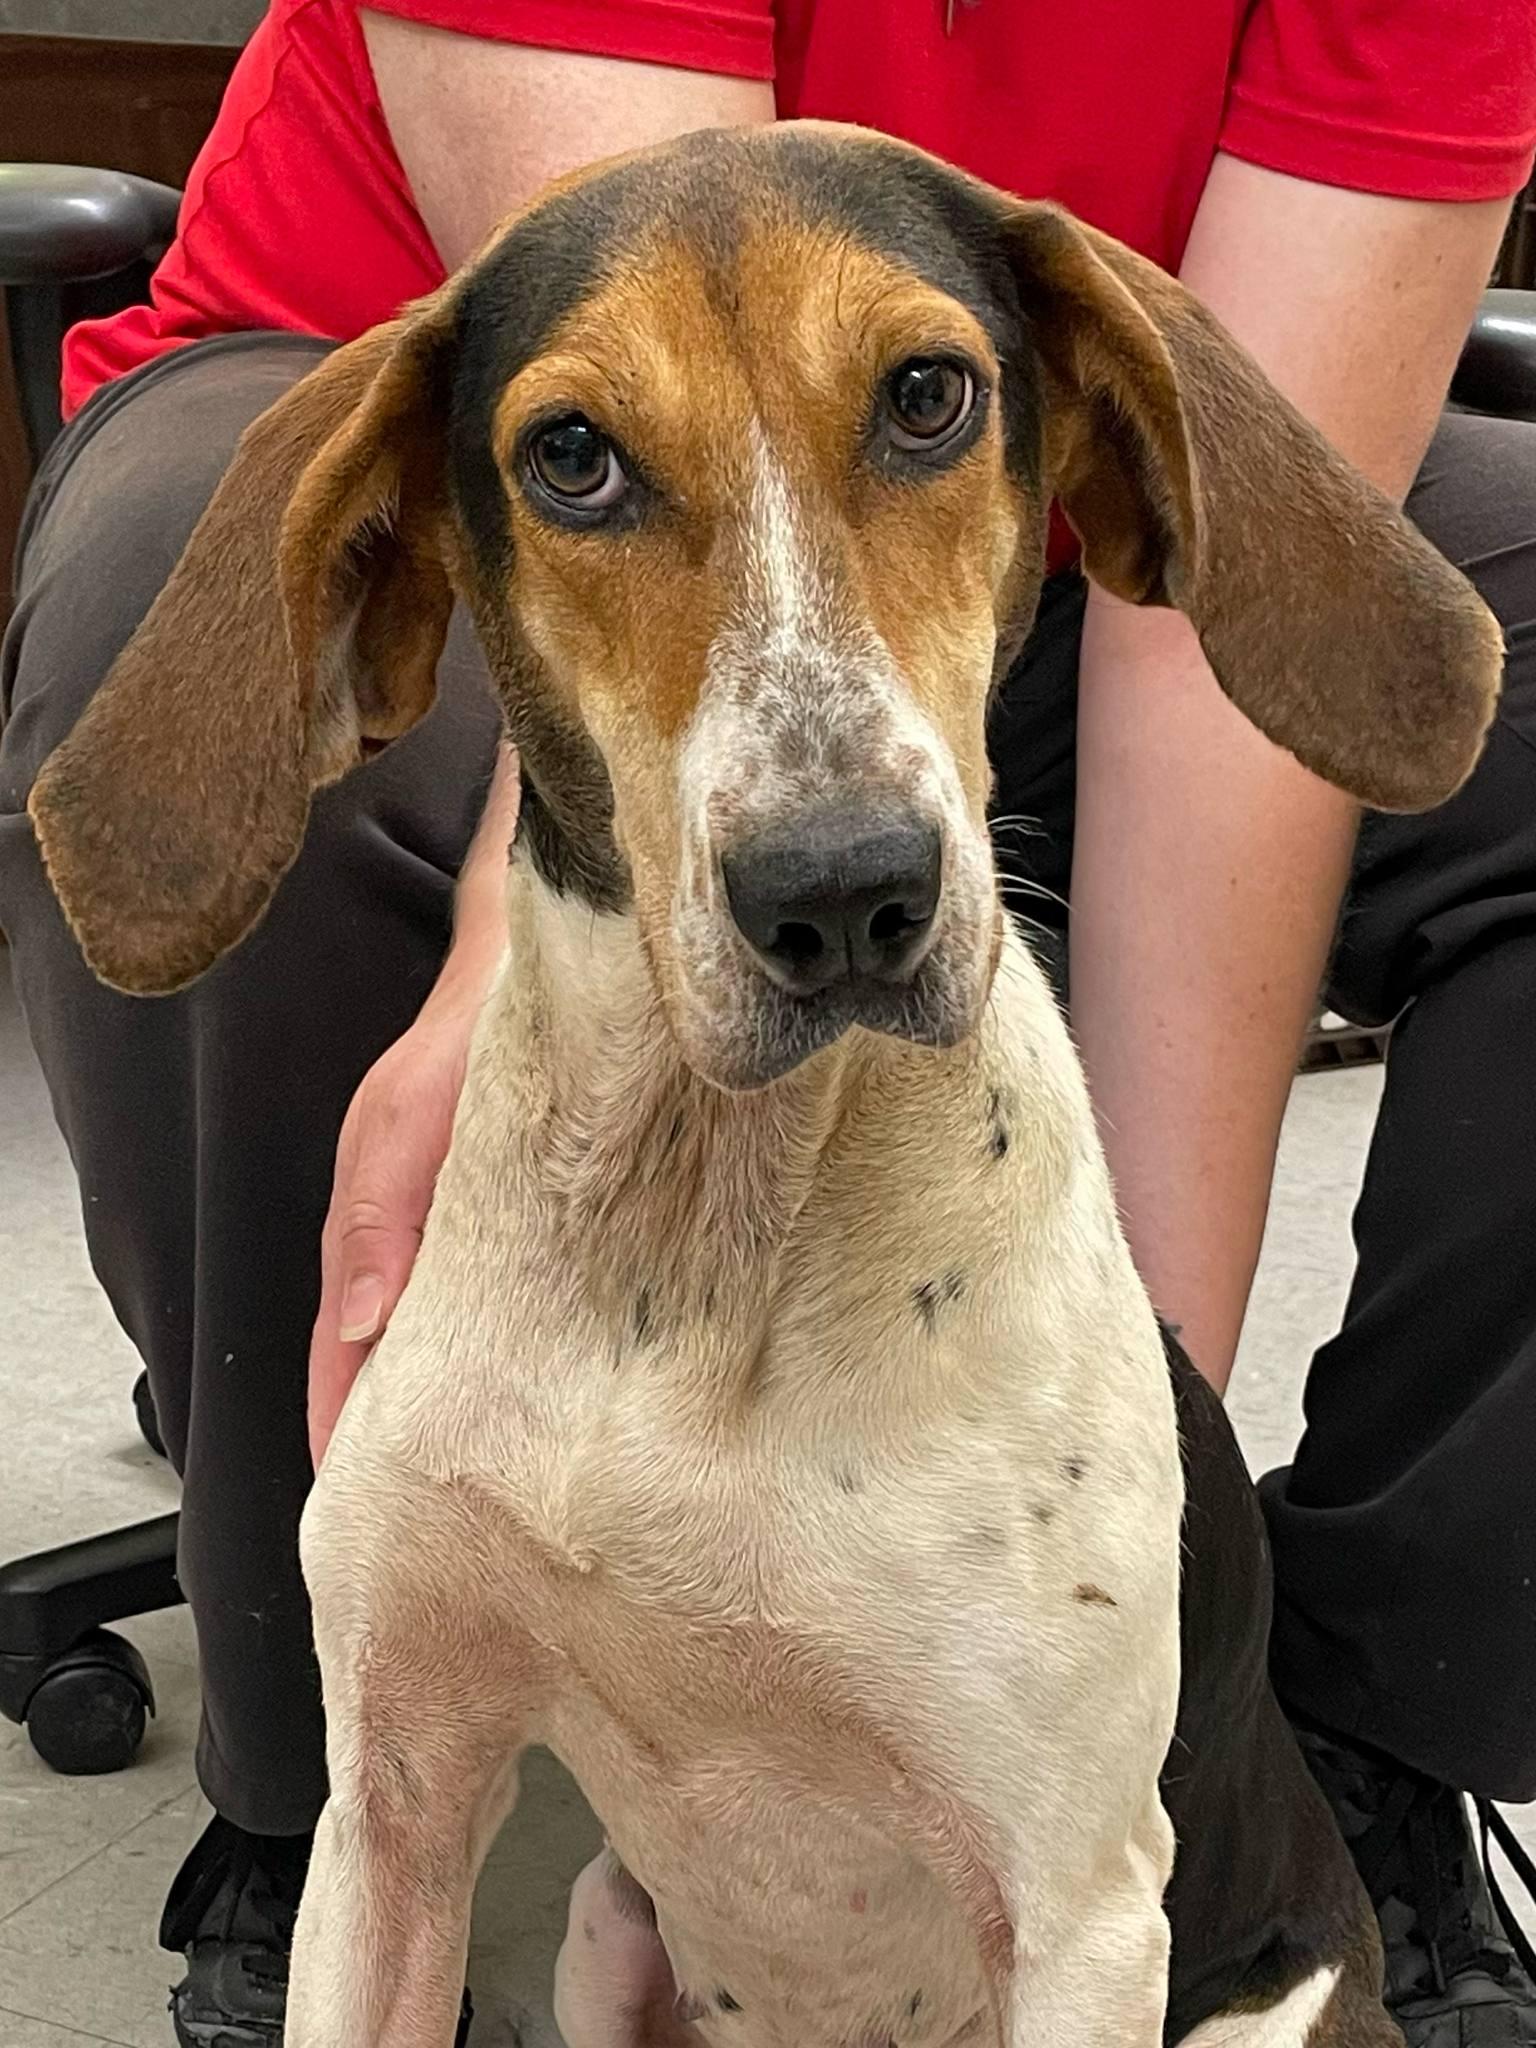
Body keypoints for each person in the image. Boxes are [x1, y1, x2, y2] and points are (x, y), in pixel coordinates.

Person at [2, 2, 1534, 2042]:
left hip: (1013, 449)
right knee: (243, 676)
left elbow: (1212, 670)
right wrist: (517, 940)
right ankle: (309, 1783)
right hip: (397, 402)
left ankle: (1331, 1744)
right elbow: (640, 306)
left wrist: (1097, 1510)